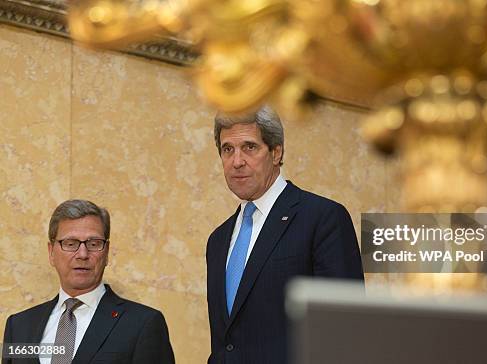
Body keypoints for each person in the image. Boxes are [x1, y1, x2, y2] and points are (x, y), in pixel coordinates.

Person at [206, 106, 364, 363]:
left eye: (250, 147)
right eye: (227, 149)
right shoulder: (218, 240)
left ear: (276, 152)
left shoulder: (322, 218)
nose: (237, 161)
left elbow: (344, 331)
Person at [2, 199, 175, 364]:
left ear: (106, 252)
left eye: (93, 244)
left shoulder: (143, 324)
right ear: (51, 253)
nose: (83, 254)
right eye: (70, 243)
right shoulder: (18, 326)